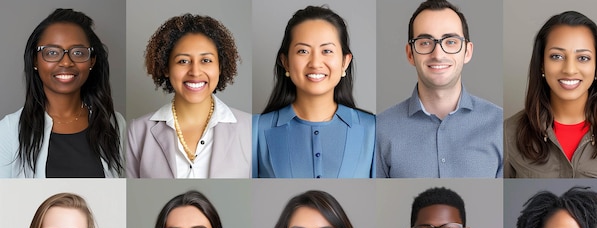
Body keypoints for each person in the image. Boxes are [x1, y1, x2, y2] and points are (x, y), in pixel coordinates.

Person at [375, 0, 502, 178]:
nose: (438, 54)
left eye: (450, 42)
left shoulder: (500, 126)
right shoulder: (381, 129)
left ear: (467, 51)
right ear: (410, 54)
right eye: (425, 42)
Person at [253, 6, 375, 178]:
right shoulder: (255, 130)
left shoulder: (373, 129)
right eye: (303, 51)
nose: (315, 62)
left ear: (345, 62)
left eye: (327, 51)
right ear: (285, 61)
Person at [0, 8, 125, 178]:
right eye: (52, 52)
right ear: (35, 60)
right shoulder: (9, 130)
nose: (66, 62)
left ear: (92, 61)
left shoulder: (115, 124)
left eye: (78, 53)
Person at [126, 14, 251, 178]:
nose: (195, 72)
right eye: (183, 61)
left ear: (220, 67)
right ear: (166, 68)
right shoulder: (137, 131)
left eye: (206, 60)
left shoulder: (250, 128)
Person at [504, 11, 597, 178]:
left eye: (583, 58)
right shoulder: (508, 133)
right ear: (541, 64)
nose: (569, 69)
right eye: (557, 56)